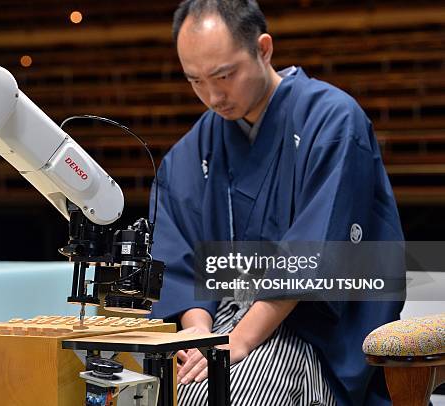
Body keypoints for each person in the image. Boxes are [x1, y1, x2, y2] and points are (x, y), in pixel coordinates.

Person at [148, 0, 405, 405]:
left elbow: (314, 251)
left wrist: (242, 339)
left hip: (308, 331)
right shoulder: (191, 150)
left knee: (225, 395)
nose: (213, 96)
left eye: (224, 75)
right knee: (146, 390)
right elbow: (177, 254)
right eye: (195, 81)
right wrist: (196, 330)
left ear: (263, 49)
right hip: (218, 324)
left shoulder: (333, 120)